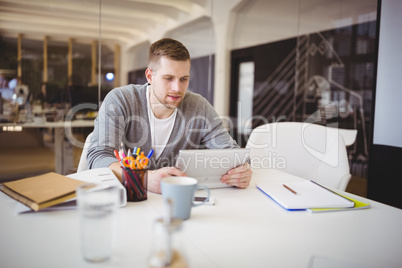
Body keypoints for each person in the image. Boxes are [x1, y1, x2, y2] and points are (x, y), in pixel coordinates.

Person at [87, 38, 252, 193]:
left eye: (184, 79)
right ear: (150, 76)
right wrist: (143, 179)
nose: (177, 88)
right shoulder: (121, 99)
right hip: (135, 199)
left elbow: (232, 154)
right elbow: (98, 157)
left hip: (179, 200)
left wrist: (242, 171)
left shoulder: (199, 106)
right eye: (169, 78)